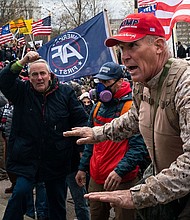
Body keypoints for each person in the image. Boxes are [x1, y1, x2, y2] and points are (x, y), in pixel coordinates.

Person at [64, 12, 190, 220]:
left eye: (133, 46)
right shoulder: (142, 83)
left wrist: (138, 195)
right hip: (167, 188)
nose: (124, 56)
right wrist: (98, 133)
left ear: (159, 46)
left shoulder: (184, 85)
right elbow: (134, 118)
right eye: (121, 48)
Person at [0, 51, 88, 220]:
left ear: (50, 75)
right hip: (27, 159)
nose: (39, 78)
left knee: (57, 203)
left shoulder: (66, 93)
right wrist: (23, 60)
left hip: (57, 159)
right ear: (29, 77)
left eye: (42, 73)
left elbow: (80, 121)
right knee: (19, 194)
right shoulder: (21, 91)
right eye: (35, 74)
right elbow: (4, 80)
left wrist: (81, 149)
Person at [75, 62, 149, 220]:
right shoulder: (97, 107)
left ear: (121, 81)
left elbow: (138, 148)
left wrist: (119, 171)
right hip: (97, 176)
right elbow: (91, 140)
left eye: (107, 82)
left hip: (121, 179)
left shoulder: (131, 108)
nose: (102, 86)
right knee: (96, 216)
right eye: (100, 82)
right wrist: (83, 168)